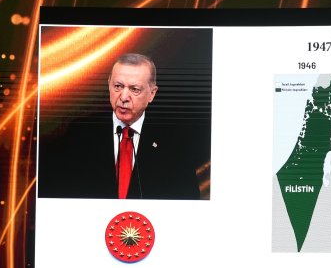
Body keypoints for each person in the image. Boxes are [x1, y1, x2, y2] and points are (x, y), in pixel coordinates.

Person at [37, 52, 205, 200]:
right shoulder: (77, 135)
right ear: (109, 84)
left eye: (135, 89)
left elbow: (187, 200)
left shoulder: (174, 143)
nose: (123, 96)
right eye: (118, 86)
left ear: (152, 94)